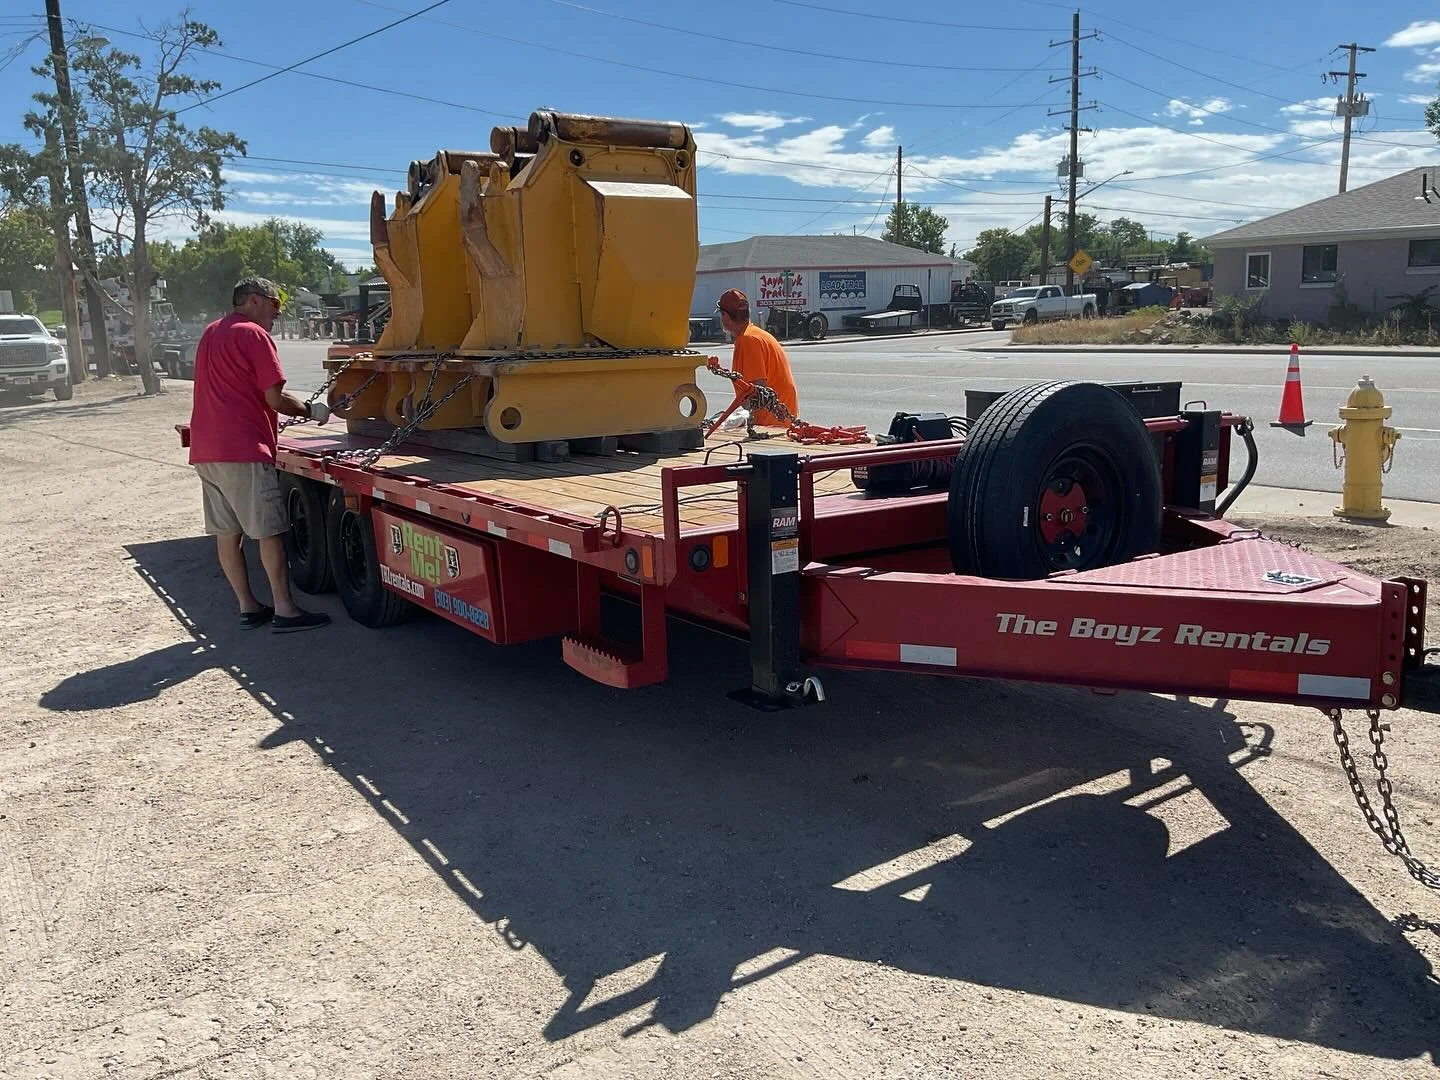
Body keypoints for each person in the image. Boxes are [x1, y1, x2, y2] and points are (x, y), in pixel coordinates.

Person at [188, 276, 332, 633]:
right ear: (254, 300)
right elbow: (273, 398)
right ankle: (285, 610)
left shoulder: (211, 332)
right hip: (243, 450)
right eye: (275, 303)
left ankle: (248, 606)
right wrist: (311, 411)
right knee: (268, 531)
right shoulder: (254, 335)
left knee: (227, 533)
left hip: (207, 450)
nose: (277, 312)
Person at [714, 288, 799, 427]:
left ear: (726, 317)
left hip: (771, 423)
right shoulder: (756, 334)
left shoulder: (748, 341)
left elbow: (757, 393)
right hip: (779, 419)